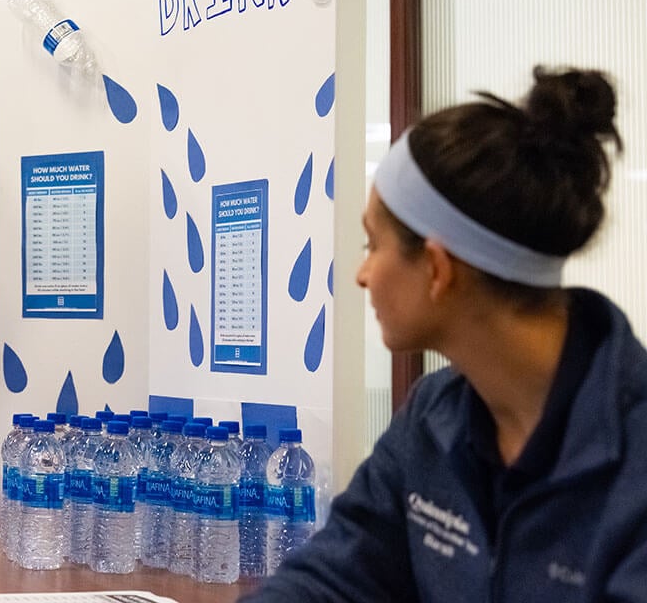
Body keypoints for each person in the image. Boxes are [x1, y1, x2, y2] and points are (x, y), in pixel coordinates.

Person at [241, 67, 647, 601]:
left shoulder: (633, 461)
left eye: (372, 245)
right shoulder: (435, 417)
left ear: (436, 268)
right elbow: (332, 578)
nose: (362, 274)